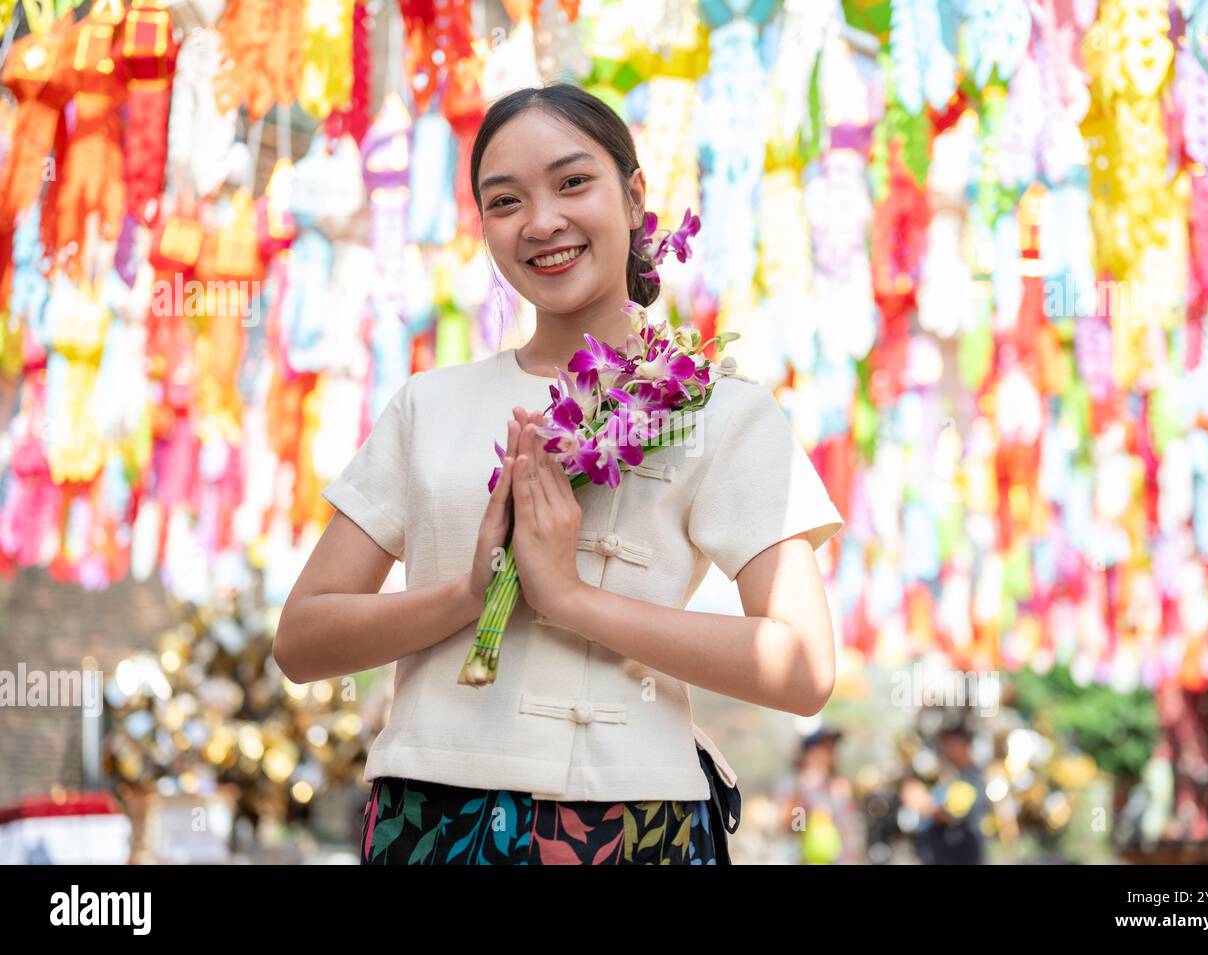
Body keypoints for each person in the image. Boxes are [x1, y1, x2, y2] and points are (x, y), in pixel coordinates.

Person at [273, 83, 846, 864]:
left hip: (638, 819)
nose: (542, 222)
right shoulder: (430, 404)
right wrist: (467, 595)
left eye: (573, 182)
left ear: (635, 195)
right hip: (434, 814)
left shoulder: (721, 407)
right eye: (506, 201)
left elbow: (804, 666)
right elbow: (302, 641)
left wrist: (572, 599)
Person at [772, 726, 863, 864]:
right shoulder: (794, 782)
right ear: (808, 752)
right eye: (825, 747)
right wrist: (803, 795)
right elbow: (793, 827)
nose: (831, 752)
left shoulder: (838, 785)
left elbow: (850, 831)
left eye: (832, 747)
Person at [904, 723, 990, 865]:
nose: (946, 750)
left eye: (951, 744)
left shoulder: (973, 778)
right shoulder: (950, 776)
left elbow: (952, 815)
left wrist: (923, 804)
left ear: (965, 745)